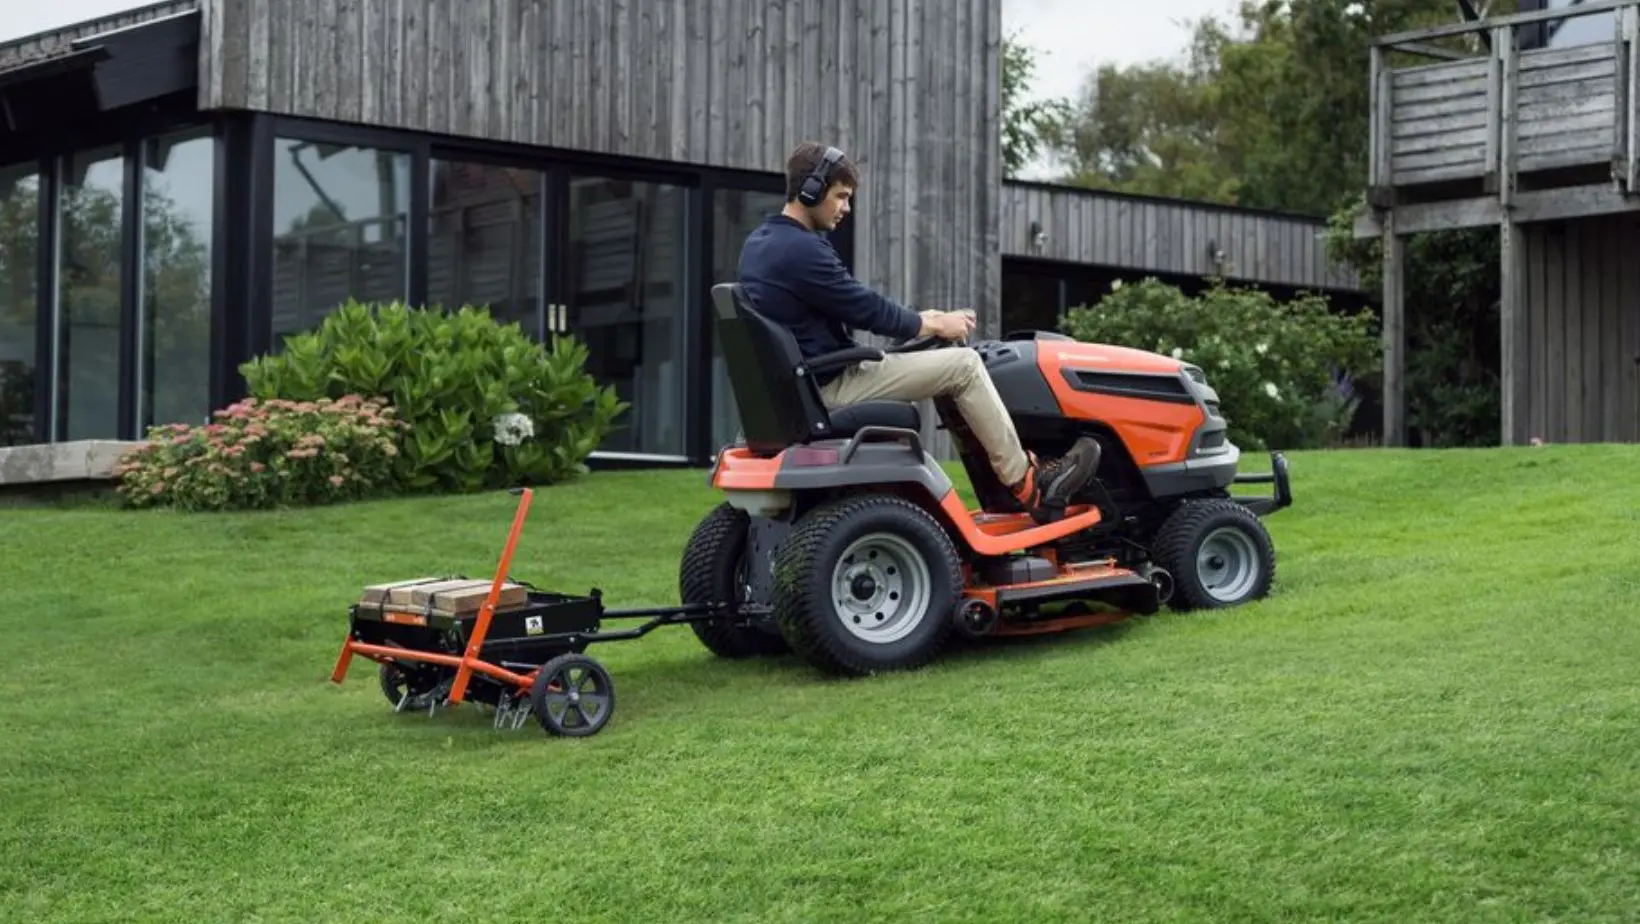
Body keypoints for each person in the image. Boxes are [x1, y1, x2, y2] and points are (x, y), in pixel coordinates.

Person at [736, 141, 1101, 521]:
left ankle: (1006, 490)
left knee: (942, 356)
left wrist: (921, 320)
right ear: (810, 190)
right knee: (966, 365)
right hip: (829, 386)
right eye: (841, 196)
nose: (846, 208)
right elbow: (864, 308)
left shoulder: (761, 244)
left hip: (808, 381)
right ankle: (1031, 484)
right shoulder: (801, 250)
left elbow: (846, 302)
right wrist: (932, 322)